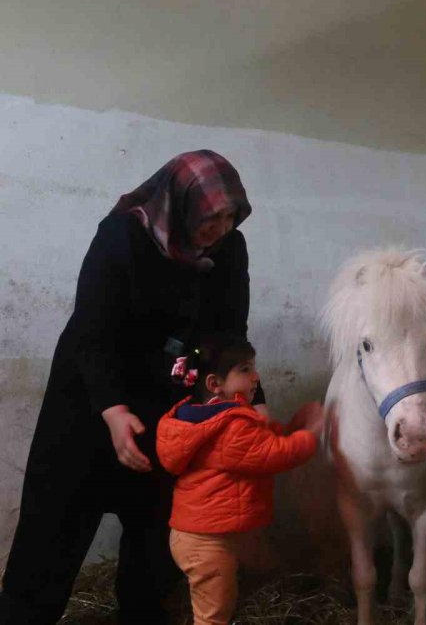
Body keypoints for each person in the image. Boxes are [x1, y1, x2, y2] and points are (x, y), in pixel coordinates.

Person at [0, 151, 260, 625]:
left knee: (157, 534)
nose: (219, 228)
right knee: (54, 527)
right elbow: (91, 331)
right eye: (210, 216)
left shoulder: (230, 250)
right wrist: (114, 411)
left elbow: (228, 335)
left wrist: (244, 403)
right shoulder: (122, 234)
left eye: (230, 217)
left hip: (167, 406)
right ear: (179, 204)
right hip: (90, 401)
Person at [157, 335, 319, 625]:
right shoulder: (229, 427)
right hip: (208, 544)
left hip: (213, 532)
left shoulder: (202, 417)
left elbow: (261, 443)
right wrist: (311, 435)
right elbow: (273, 455)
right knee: (212, 615)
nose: (256, 376)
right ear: (214, 385)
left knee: (259, 564)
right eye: (245, 370)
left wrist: (294, 427)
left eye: (253, 367)